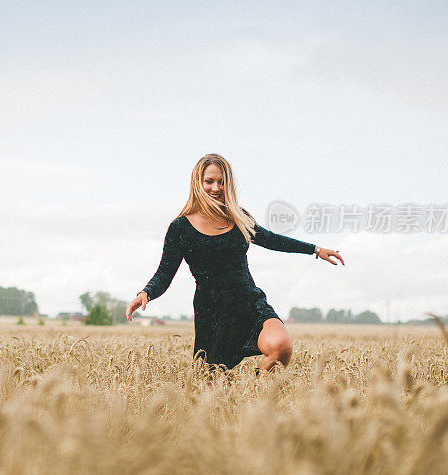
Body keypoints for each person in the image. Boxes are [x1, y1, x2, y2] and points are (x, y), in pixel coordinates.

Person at [127, 153, 344, 374]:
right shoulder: (180, 228)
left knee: (281, 347)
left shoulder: (239, 218)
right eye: (209, 181)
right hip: (213, 314)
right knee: (211, 382)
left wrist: (315, 249)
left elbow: (272, 240)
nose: (216, 188)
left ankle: (259, 397)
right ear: (197, 183)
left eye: (222, 182)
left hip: (250, 303)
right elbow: (165, 272)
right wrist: (146, 292)